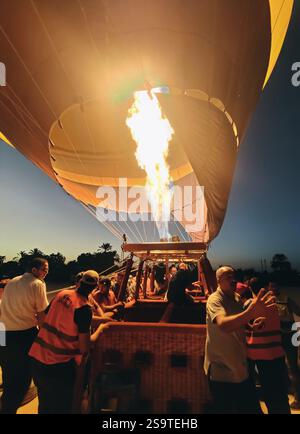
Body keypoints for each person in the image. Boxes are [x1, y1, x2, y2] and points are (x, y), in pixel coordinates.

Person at [29, 270, 109, 414]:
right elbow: (84, 347)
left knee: (45, 405)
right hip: (59, 366)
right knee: (61, 406)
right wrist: (102, 329)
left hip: (37, 357)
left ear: (81, 282)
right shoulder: (84, 308)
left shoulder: (62, 294)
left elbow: (44, 317)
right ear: (95, 287)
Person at [204, 266, 276, 414]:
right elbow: (223, 324)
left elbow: (238, 322)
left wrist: (251, 326)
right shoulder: (214, 299)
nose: (233, 279)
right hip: (222, 368)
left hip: (240, 366)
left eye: (233, 276)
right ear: (218, 281)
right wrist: (250, 313)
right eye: (228, 277)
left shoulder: (236, 298)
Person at [0, 258, 49, 413]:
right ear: (34, 270)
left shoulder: (12, 281)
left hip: (5, 335)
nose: (46, 273)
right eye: (44, 269)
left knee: (9, 378)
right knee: (23, 380)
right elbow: (42, 315)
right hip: (25, 336)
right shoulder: (38, 284)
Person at [246, 278, 290, 414]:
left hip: (259, 354)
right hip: (276, 351)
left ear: (250, 288)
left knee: (270, 392)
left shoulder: (250, 304)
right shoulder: (275, 303)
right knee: (279, 392)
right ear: (266, 287)